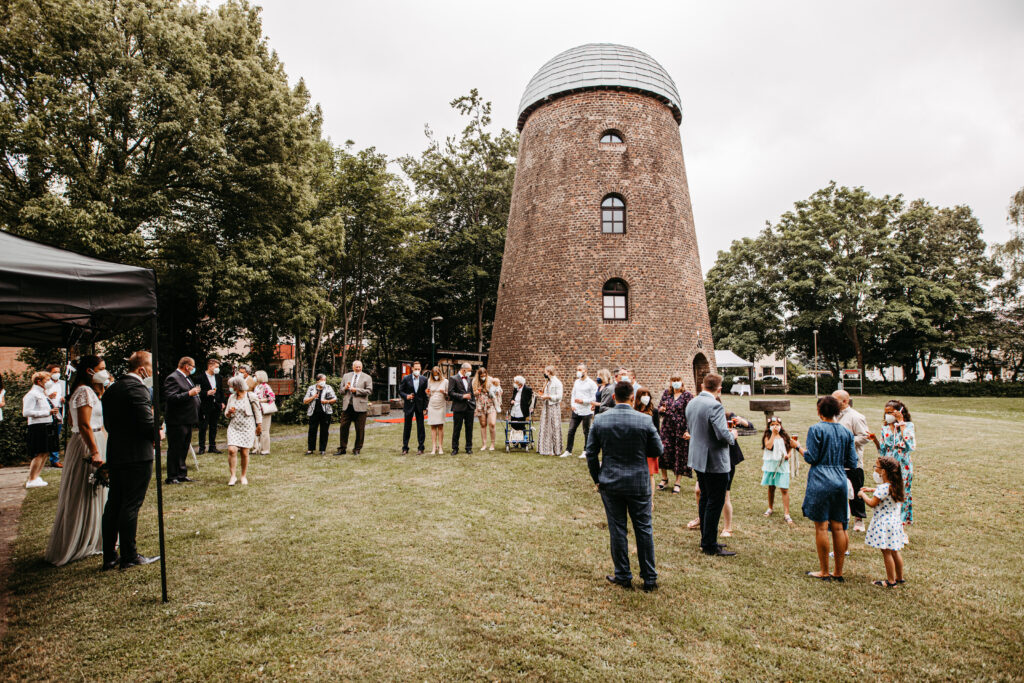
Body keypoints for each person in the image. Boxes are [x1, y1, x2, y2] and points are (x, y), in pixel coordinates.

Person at [585, 381, 663, 591]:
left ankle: (623, 574)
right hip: (638, 481)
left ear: (612, 398)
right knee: (644, 530)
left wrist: (597, 478)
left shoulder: (600, 420)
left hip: (610, 481)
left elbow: (591, 453)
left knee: (617, 529)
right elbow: (657, 450)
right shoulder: (645, 421)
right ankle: (649, 578)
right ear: (632, 398)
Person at [45, 355, 110, 565]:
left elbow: (73, 420)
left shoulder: (85, 391)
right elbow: (83, 424)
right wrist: (95, 451)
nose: (105, 372)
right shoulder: (84, 391)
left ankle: (93, 536)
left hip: (90, 440)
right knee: (86, 489)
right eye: (101, 368)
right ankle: (83, 539)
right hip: (88, 443)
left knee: (91, 490)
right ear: (90, 371)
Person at [101, 350, 159, 570]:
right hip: (136, 455)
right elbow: (146, 424)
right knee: (130, 505)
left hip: (116, 452)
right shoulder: (137, 388)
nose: (153, 371)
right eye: (152, 367)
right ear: (142, 369)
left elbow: (109, 424)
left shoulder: (112, 390)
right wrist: (157, 434)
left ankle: (109, 555)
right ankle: (129, 555)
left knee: (113, 504)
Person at [797, 395, 858, 581]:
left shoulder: (815, 429)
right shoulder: (846, 432)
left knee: (822, 527)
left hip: (820, 479)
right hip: (840, 478)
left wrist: (798, 447)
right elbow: (852, 462)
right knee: (839, 527)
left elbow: (811, 458)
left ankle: (824, 570)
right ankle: (838, 572)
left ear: (819, 411)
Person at [684, 373, 738, 556]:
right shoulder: (714, 406)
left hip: (698, 458)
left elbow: (691, 428)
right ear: (719, 389)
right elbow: (722, 435)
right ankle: (709, 544)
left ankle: (705, 539)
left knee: (706, 498)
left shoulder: (692, 402)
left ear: (702, 385)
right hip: (714, 460)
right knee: (715, 500)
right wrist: (733, 436)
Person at [858, 455, 908, 587]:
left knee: (886, 552)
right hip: (895, 523)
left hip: (884, 525)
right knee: (895, 551)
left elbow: (872, 503)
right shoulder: (895, 486)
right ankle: (900, 577)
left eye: (876, 467)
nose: (875, 470)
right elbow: (884, 492)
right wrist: (871, 489)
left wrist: (863, 495)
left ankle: (890, 581)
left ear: (883, 471)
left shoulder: (883, 488)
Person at [834, 390, 875, 532]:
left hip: (853, 461)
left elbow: (865, 437)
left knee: (856, 489)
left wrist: (847, 441)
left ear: (845, 401)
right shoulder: (833, 416)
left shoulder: (856, 417)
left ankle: (859, 519)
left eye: (835, 400)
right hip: (835, 460)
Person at [163, 356, 200, 484]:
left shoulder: (187, 378)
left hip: (187, 418)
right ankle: (172, 476)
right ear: (186, 366)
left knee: (184, 448)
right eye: (193, 366)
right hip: (177, 419)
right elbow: (171, 398)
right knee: (175, 448)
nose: (194, 369)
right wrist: (189, 394)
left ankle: (181, 474)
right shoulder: (173, 378)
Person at [879, 400, 915, 525]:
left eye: (890, 412)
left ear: (899, 412)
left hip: (903, 464)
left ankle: (902, 524)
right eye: (886, 413)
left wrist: (901, 423)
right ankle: (889, 522)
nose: (888, 415)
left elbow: (910, 445)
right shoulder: (884, 428)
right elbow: (882, 449)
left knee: (902, 492)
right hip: (889, 464)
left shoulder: (908, 426)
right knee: (888, 492)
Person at [657, 374, 694, 494]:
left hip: (681, 428)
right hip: (667, 428)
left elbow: (691, 414)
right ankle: (664, 479)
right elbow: (660, 407)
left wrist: (689, 430)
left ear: (682, 382)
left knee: (680, 454)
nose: (676, 383)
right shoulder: (667, 394)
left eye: (678, 381)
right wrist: (661, 410)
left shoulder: (687, 395)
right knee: (663, 451)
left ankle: (677, 482)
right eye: (674, 381)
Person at [23, 371, 60, 488]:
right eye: (47, 380)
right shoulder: (32, 394)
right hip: (38, 426)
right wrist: (47, 412)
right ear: (39, 381)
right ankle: (31, 479)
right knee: (39, 453)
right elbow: (26, 412)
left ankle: (37, 476)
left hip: (47, 424)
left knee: (45, 452)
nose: (49, 382)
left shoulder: (43, 394)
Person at [224, 375, 262, 486]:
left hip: (247, 427)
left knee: (245, 453)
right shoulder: (231, 397)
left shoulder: (250, 396)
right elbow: (226, 414)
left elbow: (257, 411)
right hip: (234, 426)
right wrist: (229, 412)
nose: (230, 388)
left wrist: (259, 425)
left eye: (232, 386)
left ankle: (243, 476)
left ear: (238, 386)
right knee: (232, 450)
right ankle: (233, 476)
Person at [720, 403, 750, 538]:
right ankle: (701, 518)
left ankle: (728, 528)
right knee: (700, 491)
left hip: (729, 459)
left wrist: (741, 421)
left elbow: (750, 426)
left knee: (725, 495)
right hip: (712, 459)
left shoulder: (728, 417)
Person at [761, 416, 795, 524]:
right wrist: (773, 435)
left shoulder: (784, 436)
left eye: (777, 424)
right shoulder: (767, 436)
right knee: (771, 487)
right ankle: (770, 507)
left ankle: (787, 513)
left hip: (782, 464)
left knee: (784, 488)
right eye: (772, 425)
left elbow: (790, 449)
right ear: (769, 426)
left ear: (780, 425)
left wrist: (788, 456)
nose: (775, 426)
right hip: (771, 464)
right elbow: (769, 446)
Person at [336, 360, 372, 455]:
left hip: (360, 406)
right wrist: (346, 388)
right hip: (348, 406)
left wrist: (356, 390)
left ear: (362, 367)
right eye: (356, 366)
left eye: (359, 366)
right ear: (353, 367)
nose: (358, 368)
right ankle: (342, 448)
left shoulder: (367, 377)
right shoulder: (346, 376)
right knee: (343, 427)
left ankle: (357, 448)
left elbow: (369, 391)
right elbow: (341, 391)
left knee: (360, 429)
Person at [563, 363, 598, 459]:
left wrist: (583, 401)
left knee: (586, 431)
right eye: (577, 369)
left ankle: (585, 450)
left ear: (585, 371)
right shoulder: (576, 382)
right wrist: (572, 405)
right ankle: (568, 450)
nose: (578, 371)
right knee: (571, 430)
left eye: (580, 369)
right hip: (576, 410)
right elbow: (573, 394)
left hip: (586, 411)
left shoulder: (591, 383)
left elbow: (594, 398)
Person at [634, 388, 661, 497]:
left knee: (650, 474)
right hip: (637, 446)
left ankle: (650, 499)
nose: (646, 397)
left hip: (649, 446)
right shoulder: (634, 411)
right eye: (643, 395)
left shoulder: (653, 411)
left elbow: (657, 431)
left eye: (647, 395)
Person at [399, 362, 429, 455]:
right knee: (407, 427)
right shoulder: (406, 378)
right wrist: (406, 396)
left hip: (420, 406)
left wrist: (425, 407)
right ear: (412, 369)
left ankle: (421, 447)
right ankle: (405, 447)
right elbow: (400, 390)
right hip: (409, 405)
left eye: (418, 369)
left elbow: (425, 395)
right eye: (415, 369)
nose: (417, 371)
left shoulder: (424, 379)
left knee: (420, 427)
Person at [303, 374, 336, 455]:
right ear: (318, 381)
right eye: (322, 380)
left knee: (324, 431)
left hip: (326, 412)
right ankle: (310, 449)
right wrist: (313, 397)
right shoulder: (311, 388)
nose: (324, 382)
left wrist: (327, 401)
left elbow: (335, 398)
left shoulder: (328, 387)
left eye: (325, 380)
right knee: (312, 430)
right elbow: (305, 401)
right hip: (313, 412)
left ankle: (322, 449)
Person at [197, 358, 224, 455]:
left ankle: (212, 446)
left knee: (213, 426)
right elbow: (197, 392)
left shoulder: (219, 377)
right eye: (216, 367)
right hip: (205, 405)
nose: (218, 369)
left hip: (216, 405)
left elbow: (221, 391)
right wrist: (206, 393)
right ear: (210, 366)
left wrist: (222, 402)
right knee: (203, 427)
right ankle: (201, 447)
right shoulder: (200, 377)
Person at [536, 365, 564, 456]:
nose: (544, 373)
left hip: (553, 407)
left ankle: (555, 449)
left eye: (545, 371)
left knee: (554, 427)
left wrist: (549, 397)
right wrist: (543, 394)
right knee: (546, 426)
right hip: (547, 406)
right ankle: (545, 448)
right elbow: (545, 392)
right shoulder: (547, 382)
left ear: (548, 372)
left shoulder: (557, 382)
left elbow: (559, 396)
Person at [448, 363, 475, 454]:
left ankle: (468, 447)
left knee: (469, 428)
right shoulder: (453, 378)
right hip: (458, 407)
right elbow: (451, 392)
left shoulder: (469, 379)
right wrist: (462, 396)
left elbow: (471, 393)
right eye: (470, 370)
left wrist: (473, 404)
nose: (470, 372)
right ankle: (455, 448)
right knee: (457, 428)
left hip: (469, 407)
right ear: (464, 370)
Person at [44, 362, 66, 468]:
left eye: (58, 372)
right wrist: (48, 396)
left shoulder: (63, 383)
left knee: (56, 435)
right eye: (54, 372)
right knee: (47, 435)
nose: (57, 374)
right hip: (48, 411)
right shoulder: (46, 383)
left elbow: (66, 395)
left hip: (59, 410)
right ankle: (44, 456)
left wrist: (63, 399)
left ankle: (55, 458)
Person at [473, 367, 499, 451]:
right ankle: (484, 444)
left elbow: (498, 389)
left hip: (490, 404)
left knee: (492, 423)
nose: (483, 377)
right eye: (482, 375)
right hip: (480, 404)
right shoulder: (475, 382)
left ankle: (492, 443)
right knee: (483, 424)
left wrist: (496, 392)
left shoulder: (491, 380)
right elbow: (472, 393)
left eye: (485, 375)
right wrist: (476, 393)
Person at [426, 366, 449, 454]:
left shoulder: (445, 381)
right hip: (432, 404)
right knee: (433, 426)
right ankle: (433, 447)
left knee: (440, 426)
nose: (436, 376)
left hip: (441, 404)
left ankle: (440, 447)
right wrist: (427, 393)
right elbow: (429, 394)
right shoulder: (429, 381)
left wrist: (444, 392)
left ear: (440, 373)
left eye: (437, 374)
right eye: (434, 375)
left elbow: (448, 395)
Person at [253, 371, 276, 455]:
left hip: (264, 411)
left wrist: (260, 400)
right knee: (258, 430)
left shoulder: (266, 386)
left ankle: (265, 449)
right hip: (257, 411)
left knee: (265, 430)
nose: (254, 377)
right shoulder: (257, 387)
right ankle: (257, 448)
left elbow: (272, 397)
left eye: (255, 375)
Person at [507, 375, 533, 445]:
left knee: (521, 426)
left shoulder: (527, 389)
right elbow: (513, 397)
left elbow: (532, 400)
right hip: (514, 409)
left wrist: (531, 408)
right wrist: (512, 401)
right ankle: (515, 442)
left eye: (515, 382)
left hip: (522, 410)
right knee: (514, 425)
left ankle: (523, 443)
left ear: (520, 383)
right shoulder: (515, 389)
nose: (514, 383)